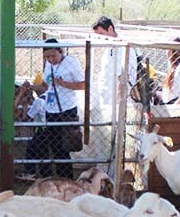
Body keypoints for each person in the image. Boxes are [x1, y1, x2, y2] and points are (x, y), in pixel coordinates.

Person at [24, 38, 85, 179]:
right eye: (47, 57)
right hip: (50, 110)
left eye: (53, 56)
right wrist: (30, 87)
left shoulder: (71, 63)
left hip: (66, 109)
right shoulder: (48, 65)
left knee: (63, 148)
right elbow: (45, 86)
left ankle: (66, 178)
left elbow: (83, 85)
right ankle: (50, 176)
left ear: (61, 51)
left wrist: (63, 83)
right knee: (50, 145)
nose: (51, 59)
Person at [92, 16, 139, 111]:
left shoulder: (123, 47)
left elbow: (123, 77)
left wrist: (118, 101)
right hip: (107, 98)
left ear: (110, 28)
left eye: (101, 34)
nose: (100, 38)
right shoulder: (109, 46)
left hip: (118, 101)